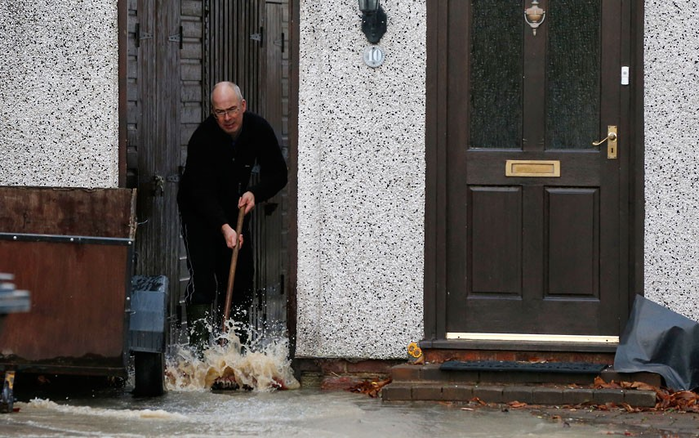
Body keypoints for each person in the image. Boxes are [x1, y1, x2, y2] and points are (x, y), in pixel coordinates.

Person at [177, 81, 287, 352]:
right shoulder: (203, 139)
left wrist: (254, 192)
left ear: (243, 106)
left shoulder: (258, 129)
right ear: (213, 112)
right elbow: (200, 192)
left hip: (237, 209)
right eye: (219, 112)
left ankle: (238, 352)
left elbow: (278, 174)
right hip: (200, 213)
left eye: (232, 110)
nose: (227, 118)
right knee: (203, 280)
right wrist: (223, 227)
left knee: (240, 279)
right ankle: (200, 356)